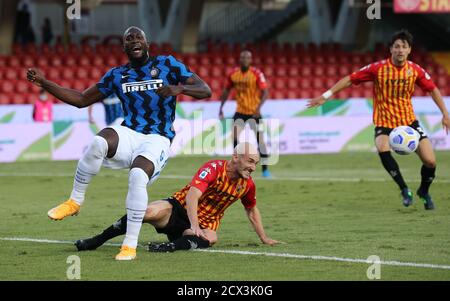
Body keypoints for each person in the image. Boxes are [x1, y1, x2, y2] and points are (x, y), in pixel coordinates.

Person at [26, 26, 211, 260]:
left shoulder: (168, 64)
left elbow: (205, 90)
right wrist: (45, 83)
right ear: (124, 47)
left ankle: (129, 246)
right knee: (99, 141)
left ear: (146, 43)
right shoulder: (117, 75)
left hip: (158, 138)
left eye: (138, 37)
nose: (134, 41)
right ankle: (75, 201)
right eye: (129, 39)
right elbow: (82, 99)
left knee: (137, 176)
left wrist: (180, 88)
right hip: (130, 133)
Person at [307, 29, 450, 210]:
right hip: (384, 122)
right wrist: (325, 95)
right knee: (382, 147)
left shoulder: (414, 71)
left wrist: (445, 113)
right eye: (396, 46)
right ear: (390, 49)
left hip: (408, 123)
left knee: (430, 161)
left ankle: (424, 190)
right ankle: (404, 189)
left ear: (409, 50)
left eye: (403, 47)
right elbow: (350, 79)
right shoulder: (378, 68)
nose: (400, 50)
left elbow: (433, 89)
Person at [74, 142, 279, 253]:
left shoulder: (247, 185)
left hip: (204, 223)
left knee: (212, 238)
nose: (253, 168)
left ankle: (169, 247)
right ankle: (96, 240)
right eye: (250, 162)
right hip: (178, 208)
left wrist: (263, 237)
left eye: (255, 164)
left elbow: (251, 209)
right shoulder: (214, 169)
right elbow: (192, 195)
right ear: (236, 157)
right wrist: (194, 224)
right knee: (146, 212)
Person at [218, 50, 272, 178]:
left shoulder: (257, 73)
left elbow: (265, 92)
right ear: (240, 59)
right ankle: (236, 167)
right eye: (243, 57)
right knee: (235, 138)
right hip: (240, 112)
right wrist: (221, 108)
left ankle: (265, 170)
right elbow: (226, 90)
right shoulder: (233, 74)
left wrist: (258, 108)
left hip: (254, 113)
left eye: (248, 57)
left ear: (251, 60)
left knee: (261, 142)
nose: (245, 59)